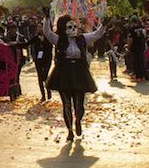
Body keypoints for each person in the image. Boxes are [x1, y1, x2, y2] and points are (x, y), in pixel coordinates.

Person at [44, 14, 104, 142]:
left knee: (79, 104)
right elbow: (47, 32)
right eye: (69, 27)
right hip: (63, 73)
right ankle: (70, 131)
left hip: (79, 72)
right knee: (66, 104)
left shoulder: (82, 39)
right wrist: (47, 18)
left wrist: (104, 25)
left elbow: (96, 34)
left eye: (75, 26)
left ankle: (78, 121)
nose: (73, 29)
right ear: (63, 28)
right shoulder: (59, 40)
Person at [29, 22, 53, 101]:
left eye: (41, 27)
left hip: (47, 59)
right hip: (38, 60)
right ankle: (43, 95)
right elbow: (33, 48)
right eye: (38, 27)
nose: (39, 28)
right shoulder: (35, 37)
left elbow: (50, 48)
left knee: (45, 75)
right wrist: (34, 58)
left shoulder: (48, 37)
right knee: (40, 77)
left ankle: (48, 90)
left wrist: (44, 41)